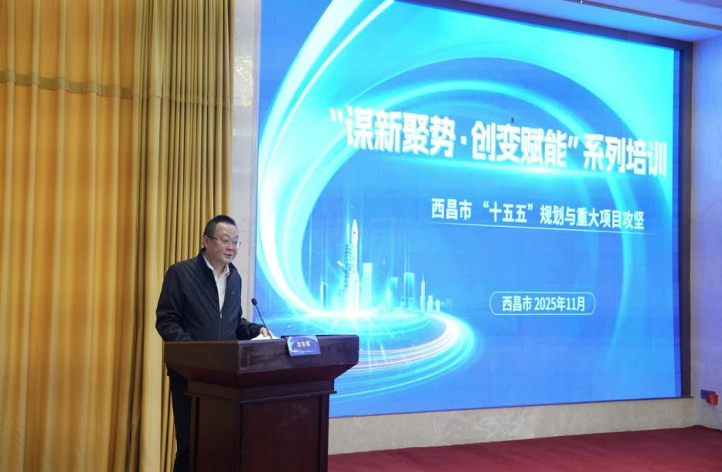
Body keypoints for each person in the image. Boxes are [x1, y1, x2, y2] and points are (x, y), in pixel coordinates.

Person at [156, 214, 270, 472]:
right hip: (189, 375)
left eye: (236, 242)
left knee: (218, 444)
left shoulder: (235, 278)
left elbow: (233, 323)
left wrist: (257, 329)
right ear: (206, 241)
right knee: (190, 445)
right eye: (225, 240)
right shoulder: (181, 273)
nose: (232, 247)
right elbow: (167, 320)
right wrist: (196, 354)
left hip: (224, 376)